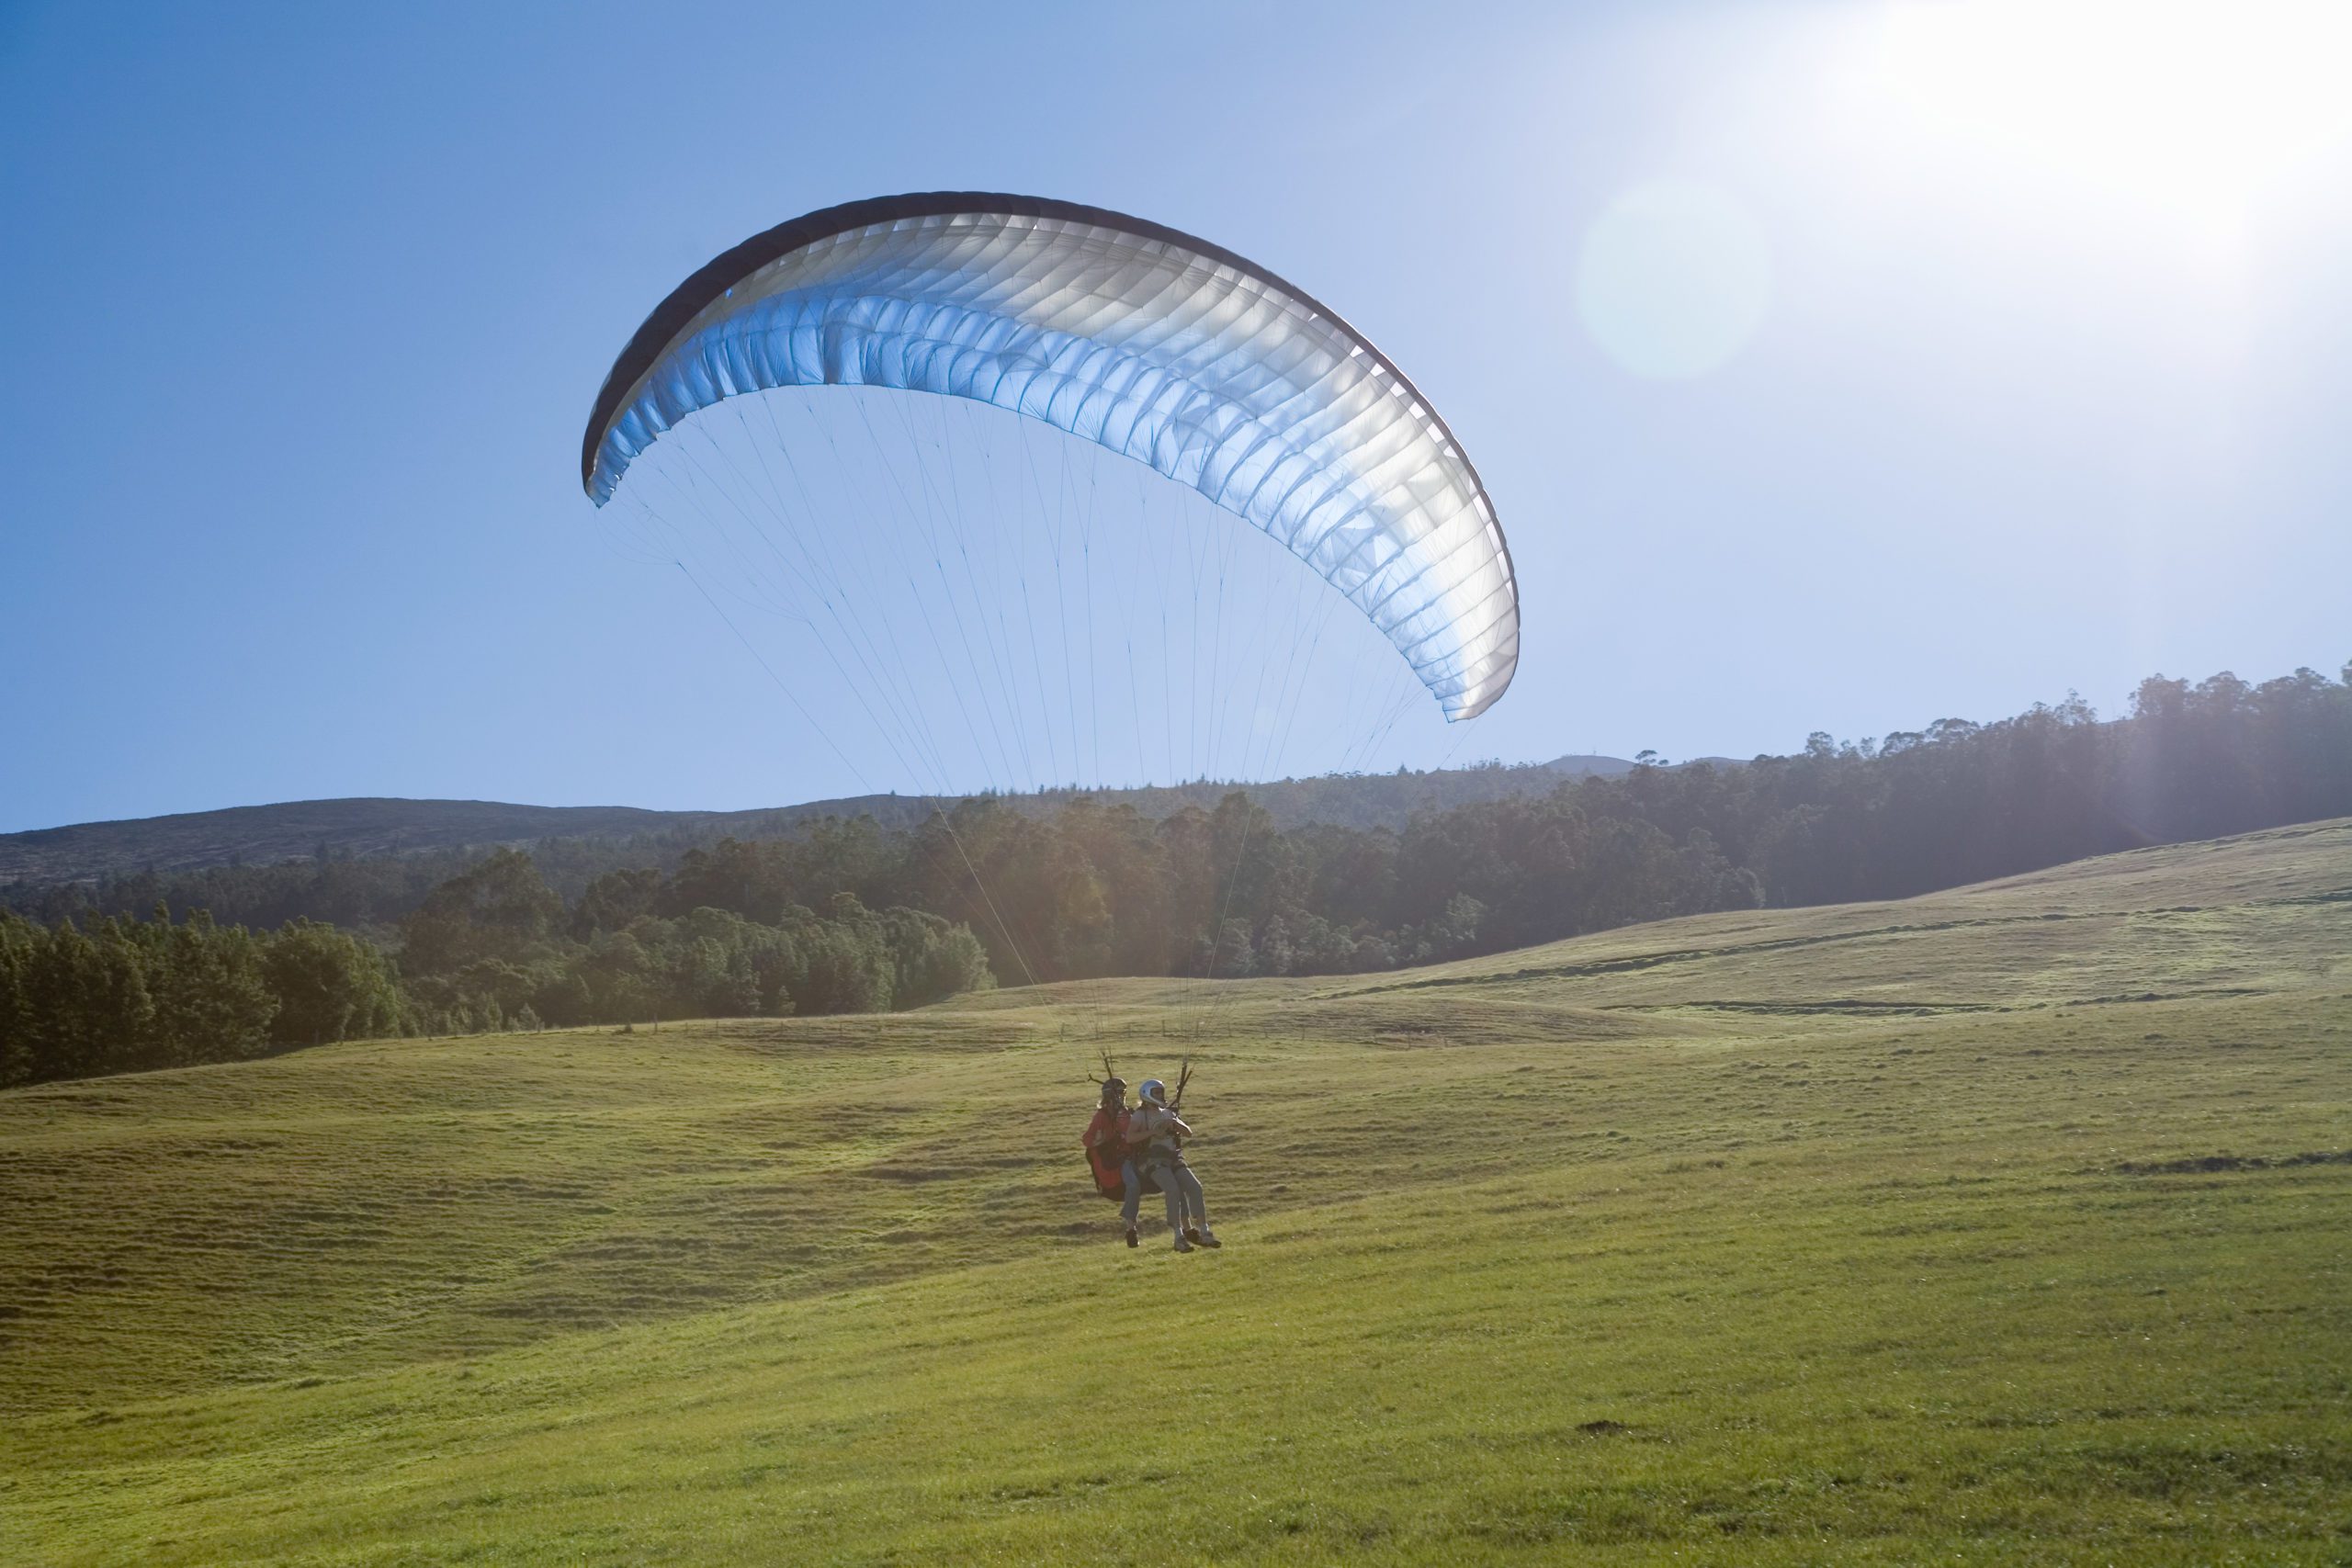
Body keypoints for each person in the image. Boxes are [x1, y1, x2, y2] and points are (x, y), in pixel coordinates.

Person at [1129, 1077, 1219, 1252]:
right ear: (1147, 1094)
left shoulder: (1168, 1113)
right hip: (1152, 1161)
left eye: (1161, 1092)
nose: (1160, 1095)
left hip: (1173, 1158)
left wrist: (1175, 1123)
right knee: (1173, 1190)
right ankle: (1178, 1236)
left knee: (1195, 1187)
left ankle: (1205, 1230)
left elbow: (1188, 1133)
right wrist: (1152, 1132)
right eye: (1157, 1092)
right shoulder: (1140, 1115)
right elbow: (1130, 1137)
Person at [1082, 1077, 1146, 1247]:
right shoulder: (1101, 1117)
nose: (1123, 1097)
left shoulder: (1127, 1112)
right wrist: (1100, 1140)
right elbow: (1087, 1140)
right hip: (1119, 1160)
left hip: (1135, 1156)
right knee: (1133, 1184)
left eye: (1124, 1094)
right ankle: (1131, 1229)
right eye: (1120, 1094)